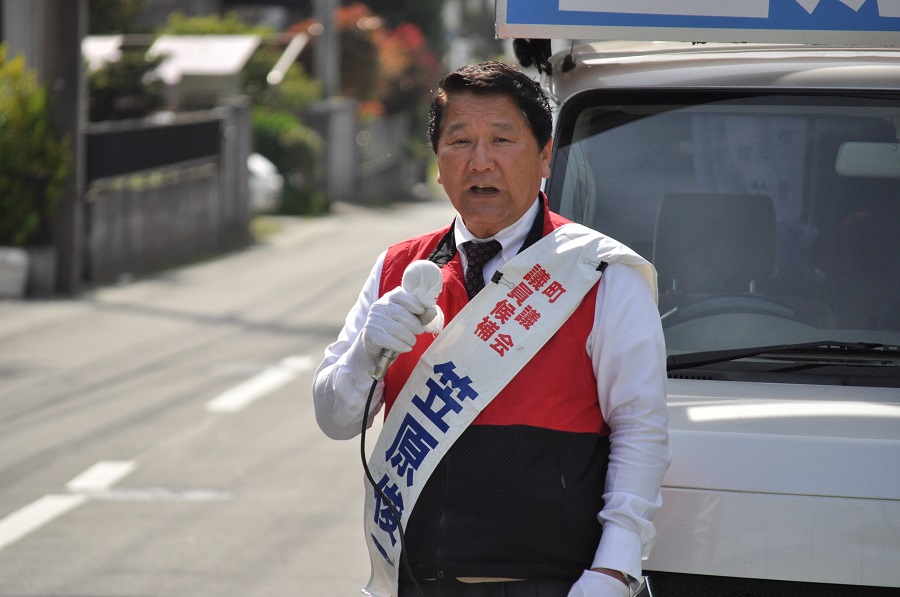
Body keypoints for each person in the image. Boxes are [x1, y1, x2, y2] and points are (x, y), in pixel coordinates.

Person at [312, 61, 671, 597]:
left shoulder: (598, 272)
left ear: (545, 156)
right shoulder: (398, 269)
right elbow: (335, 419)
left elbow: (640, 428)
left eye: (502, 139)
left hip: (552, 583)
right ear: (438, 163)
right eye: (460, 141)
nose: (480, 161)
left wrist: (614, 569)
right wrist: (365, 355)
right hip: (420, 582)